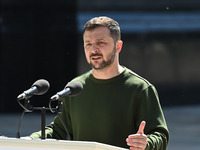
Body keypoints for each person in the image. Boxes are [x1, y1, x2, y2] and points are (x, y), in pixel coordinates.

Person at [29, 16, 169, 150]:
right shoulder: (75, 88)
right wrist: (30, 140)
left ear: (118, 46)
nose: (93, 50)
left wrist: (146, 143)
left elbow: (160, 136)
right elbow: (58, 130)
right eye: (88, 44)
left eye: (101, 43)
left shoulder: (140, 89)